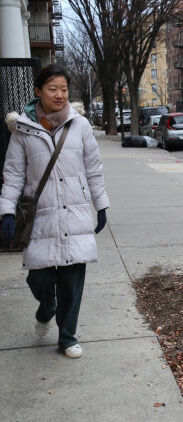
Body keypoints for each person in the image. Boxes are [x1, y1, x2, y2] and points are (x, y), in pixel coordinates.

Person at [0, 64, 110, 359]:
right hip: (40, 218)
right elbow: (12, 175)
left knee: (72, 281)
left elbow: (94, 171)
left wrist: (101, 205)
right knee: (40, 279)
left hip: (75, 213)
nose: (60, 95)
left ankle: (67, 336)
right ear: (38, 91)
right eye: (53, 89)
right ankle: (47, 306)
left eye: (63, 89)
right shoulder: (22, 130)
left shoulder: (81, 126)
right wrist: (7, 212)